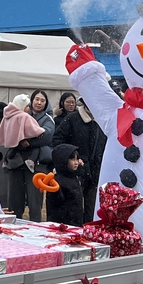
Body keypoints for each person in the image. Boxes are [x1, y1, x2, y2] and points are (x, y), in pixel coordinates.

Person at [53, 95, 108, 223]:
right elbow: (57, 141)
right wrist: (71, 156)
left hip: (95, 173)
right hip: (74, 174)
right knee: (72, 210)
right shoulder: (72, 119)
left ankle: (87, 237)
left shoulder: (102, 121)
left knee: (91, 211)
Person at [47, 143, 84, 225]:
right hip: (62, 224)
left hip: (76, 222)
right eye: (72, 159)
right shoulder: (56, 180)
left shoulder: (75, 178)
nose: (76, 162)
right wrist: (56, 191)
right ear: (63, 160)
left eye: (77, 159)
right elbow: (55, 203)